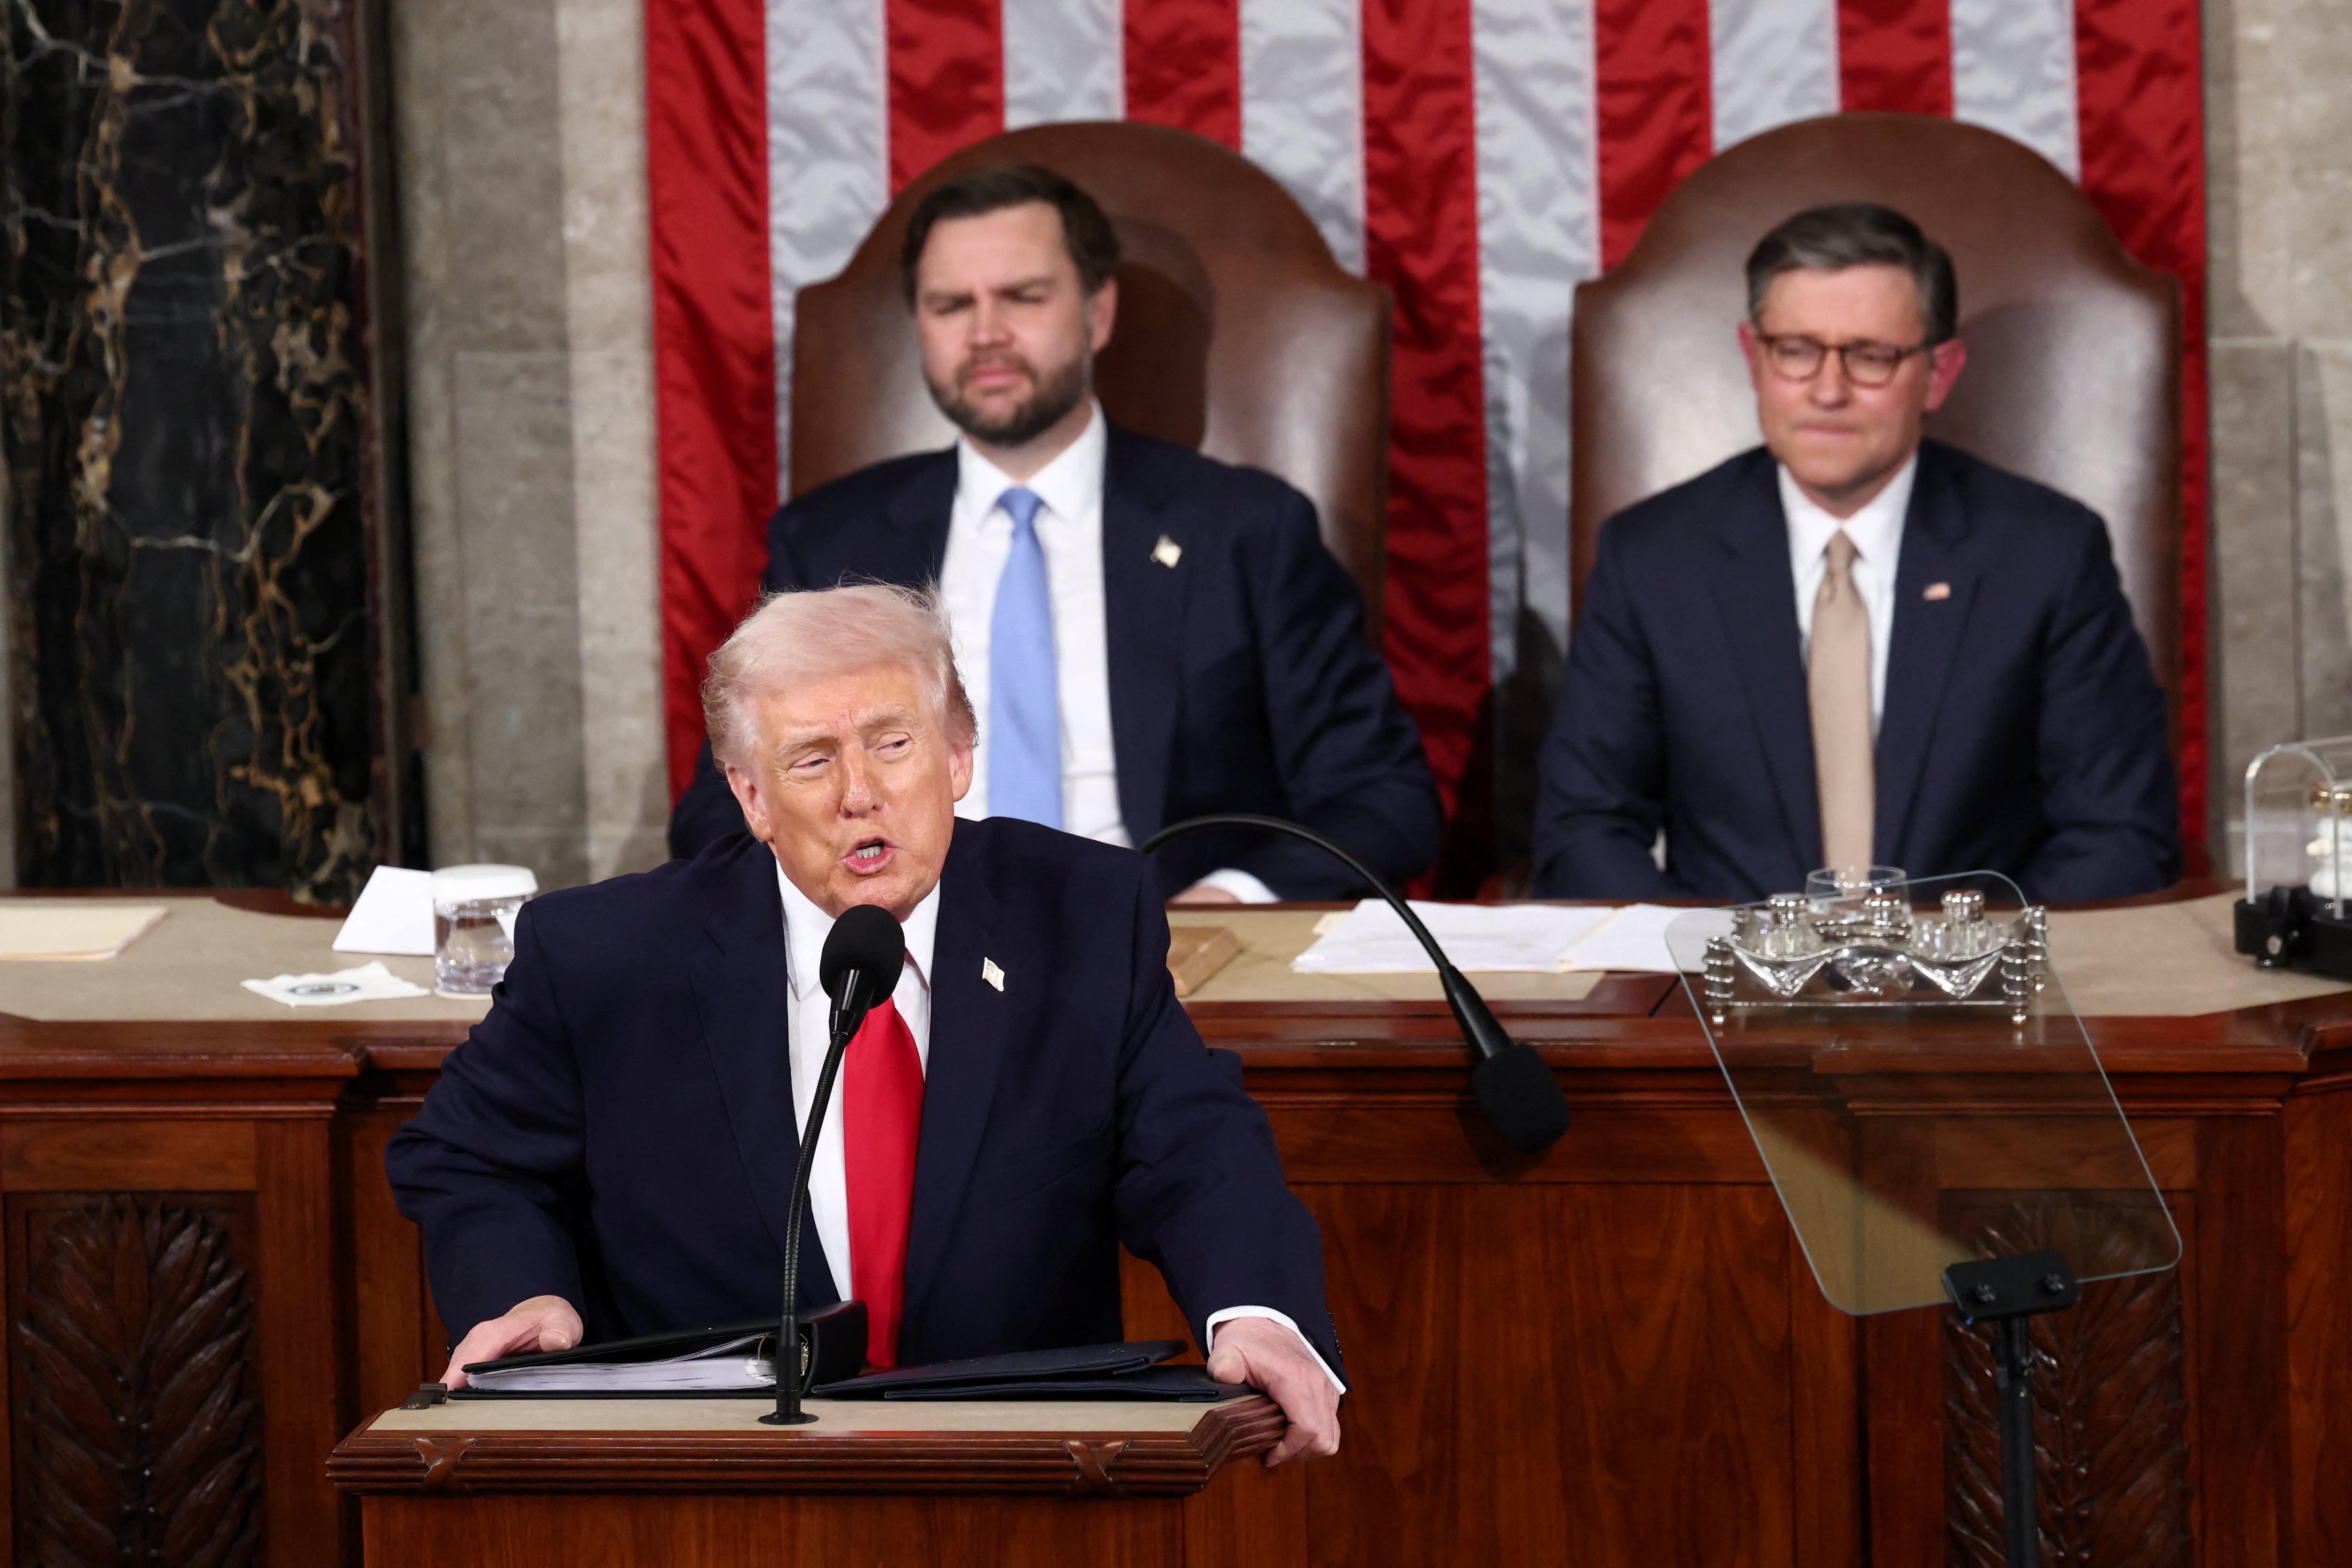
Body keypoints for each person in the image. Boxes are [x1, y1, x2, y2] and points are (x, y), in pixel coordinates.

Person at [389, 584, 1343, 1463]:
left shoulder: (1082, 916)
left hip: (1018, 1473)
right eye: (812, 758)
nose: (860, 793)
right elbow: (471, 1154)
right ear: (750, 795)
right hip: (712, 1472)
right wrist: (525, 1292)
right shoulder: (609, 954)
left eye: (893, 743)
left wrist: (1255, 1309)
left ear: (959, 754)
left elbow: (1193, 1144)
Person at [667, 162, 1440, 905]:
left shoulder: (1243, 530)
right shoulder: (833, 542)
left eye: (1023, 297)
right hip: (906, 949)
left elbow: (1382, 798)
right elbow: (723, 809)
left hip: (1169, 954)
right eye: (951, 306)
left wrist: (1225, 903)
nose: (987, 333)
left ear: (1098, 314)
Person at [1533, 202, 2179, 903]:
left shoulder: (2045, 554)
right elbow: (1584, 831)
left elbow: (2122, 834)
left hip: (1971, 995)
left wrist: (1962, 965)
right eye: (1797, 350)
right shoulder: (1654, 559)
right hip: (1725, 993)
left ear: (1939, 371)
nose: (1828, 390)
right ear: (1754, 357)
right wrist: (1721, 964)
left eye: (1871, 356)